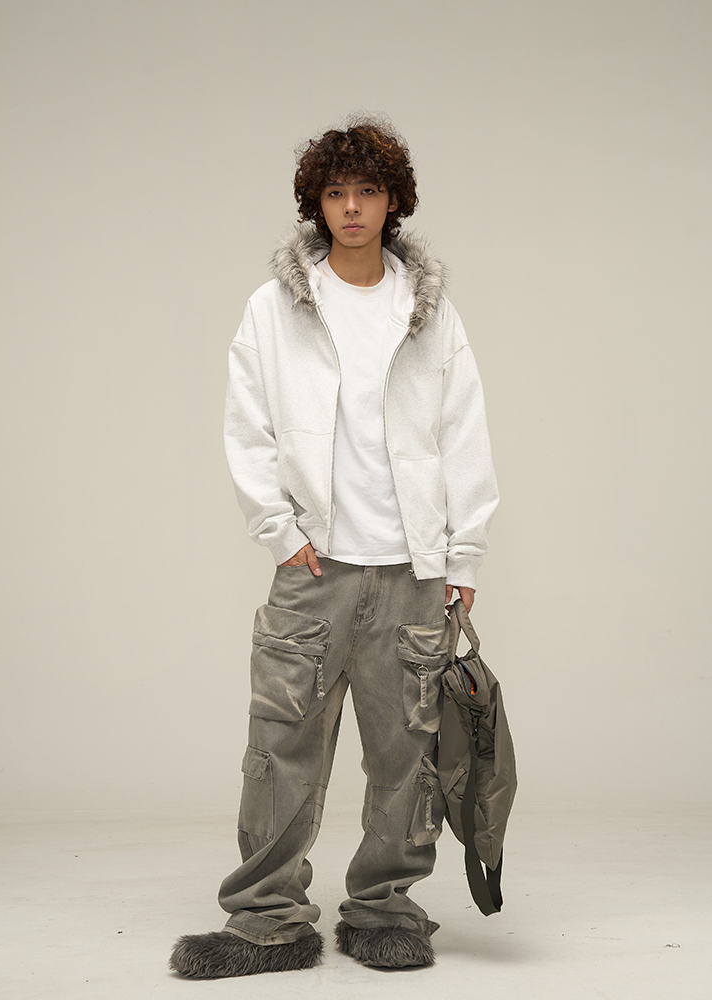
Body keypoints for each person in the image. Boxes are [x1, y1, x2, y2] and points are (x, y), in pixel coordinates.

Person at [169, 117, 499, 979]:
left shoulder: (428, 310)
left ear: (393, 203)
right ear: (316, 204)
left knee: (407, 756)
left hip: (412, 571)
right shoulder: (275, 306)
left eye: (368, 192)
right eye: (336, 193)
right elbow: (247, 425)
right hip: (314, 571)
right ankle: (268, 917)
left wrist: (462, 556)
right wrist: (279, 534)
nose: (351, 207)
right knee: (281, 749)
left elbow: (464, 432)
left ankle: (384, 910)